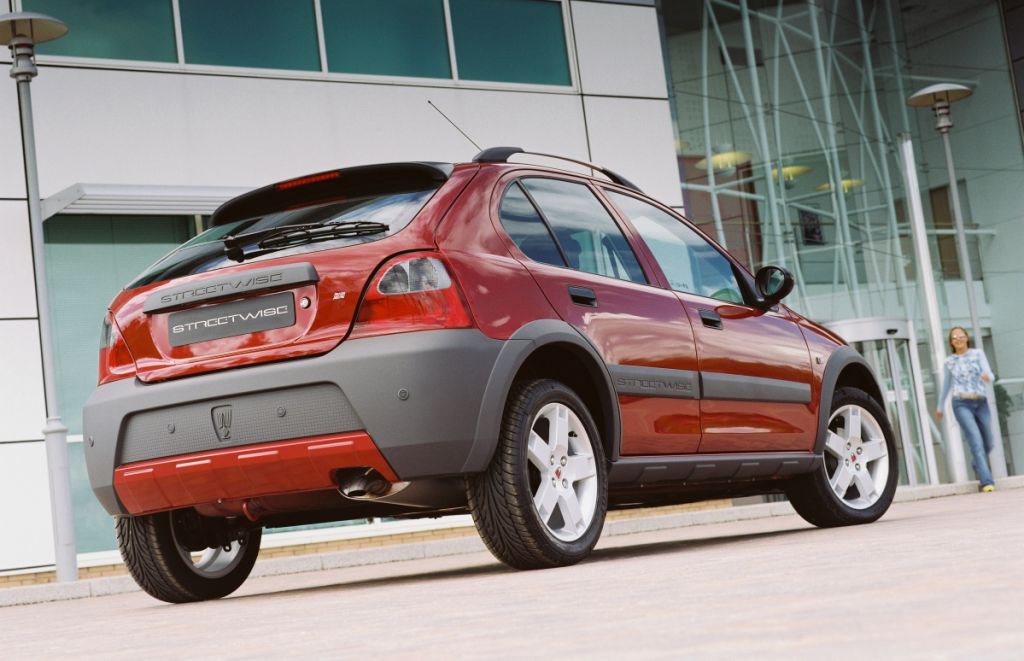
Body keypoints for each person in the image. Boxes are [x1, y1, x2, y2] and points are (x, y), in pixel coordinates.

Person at [936, 326, 996, 492]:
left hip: (981, 402)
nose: (958, 339)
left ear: (967, 338)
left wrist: (987, 377)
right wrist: (940, 406)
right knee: (975, 440)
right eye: (954, 337)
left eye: (961, 335)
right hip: (961, 403)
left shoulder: (978, 354)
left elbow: (990, 374)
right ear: (951, 342)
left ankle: (977, 463)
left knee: (988, 442)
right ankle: (987, 482)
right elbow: (946, 386)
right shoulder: (949, 362)